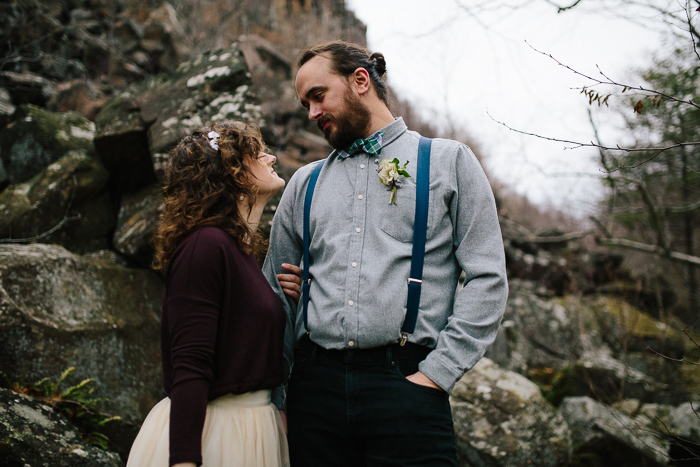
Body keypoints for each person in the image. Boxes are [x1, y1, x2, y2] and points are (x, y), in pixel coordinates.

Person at [262, 41, 509, 466]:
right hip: (314, 396)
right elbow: (272, 295)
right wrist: (279, 394)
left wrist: (437, 374)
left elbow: (488, 278)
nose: (311, 114)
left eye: (318, 96)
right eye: (305, 103)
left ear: (360, 81)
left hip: (408, 386)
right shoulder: (303, 183)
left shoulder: (448, 162)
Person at [126, 120, 300, 467]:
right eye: (255, 154)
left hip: (253, 428)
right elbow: (190, 366)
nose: (271, 158)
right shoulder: (204, 247)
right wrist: (185, 461)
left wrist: (286, 299)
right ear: (232, 174)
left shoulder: (239, 251)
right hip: (218, 434)